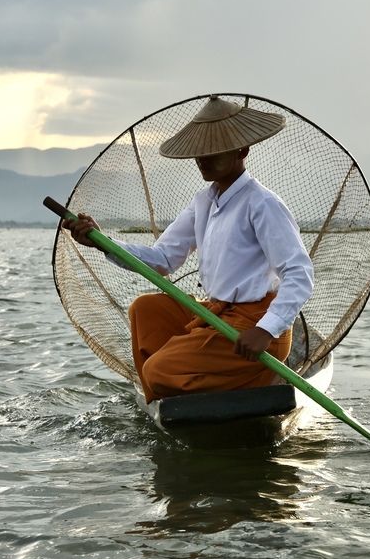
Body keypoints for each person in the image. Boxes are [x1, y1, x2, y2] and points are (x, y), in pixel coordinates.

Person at [62, 96, 313, 403]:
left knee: (156, 371)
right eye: (199, 152)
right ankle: (188, 381)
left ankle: (240, 377)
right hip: (219, 315)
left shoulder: (263, 203)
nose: (202, 159)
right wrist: (102, 242)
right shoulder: (204, 202)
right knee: (144, 309)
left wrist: (266, 330)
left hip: (253, 329)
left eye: (213, 150)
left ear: (242, 150)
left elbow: (299, 274)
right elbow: (163, 259)